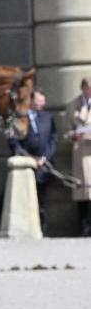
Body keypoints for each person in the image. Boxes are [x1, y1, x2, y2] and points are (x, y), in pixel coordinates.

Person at [9, 89, 57, 234]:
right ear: (31, 100)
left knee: (42, 200)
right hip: (27, 165)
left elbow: (54, 139)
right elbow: (13, 142)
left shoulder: (48, 117)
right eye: (39, 99)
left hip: (44, 165)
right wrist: (27, 158)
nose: (42, 102)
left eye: (43, 100)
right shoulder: (20, 118)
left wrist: (44, 158)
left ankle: (43, 229)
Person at [65, 77, 91, 236]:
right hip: (80, 153)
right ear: (83, 88)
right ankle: (84, 227)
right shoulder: (72, 106)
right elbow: (66, 133)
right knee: (82, 192)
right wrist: (73, 135)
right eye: (88, 88)